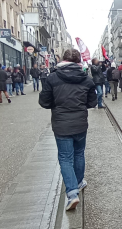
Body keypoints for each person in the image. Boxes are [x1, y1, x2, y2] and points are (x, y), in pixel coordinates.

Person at [39, 49, 97, 211]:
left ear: (63, 59)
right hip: (80, 123)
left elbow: (44, 102)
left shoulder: (52, 78)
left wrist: (58, 106)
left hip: (61, 123)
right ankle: (78, 183)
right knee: (79, 153)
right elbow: (92, 103)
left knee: (65, 158)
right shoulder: (87, 79)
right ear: (78, 61)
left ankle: (72, 193)